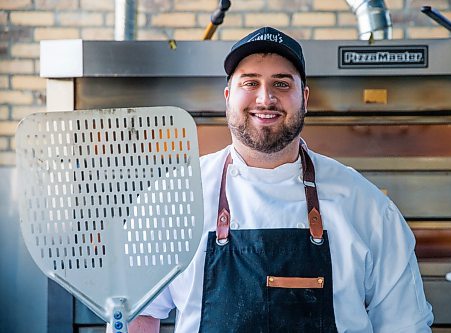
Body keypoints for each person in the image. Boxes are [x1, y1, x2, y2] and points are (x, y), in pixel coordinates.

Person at [119, 26, 434, 332]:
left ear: (305, 98)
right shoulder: (173, 198)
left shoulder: (366, 206)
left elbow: (405, 323)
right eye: (250, 83)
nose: (265, 98)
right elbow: (139, 314)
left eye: (282, 84)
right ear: (228, 97)